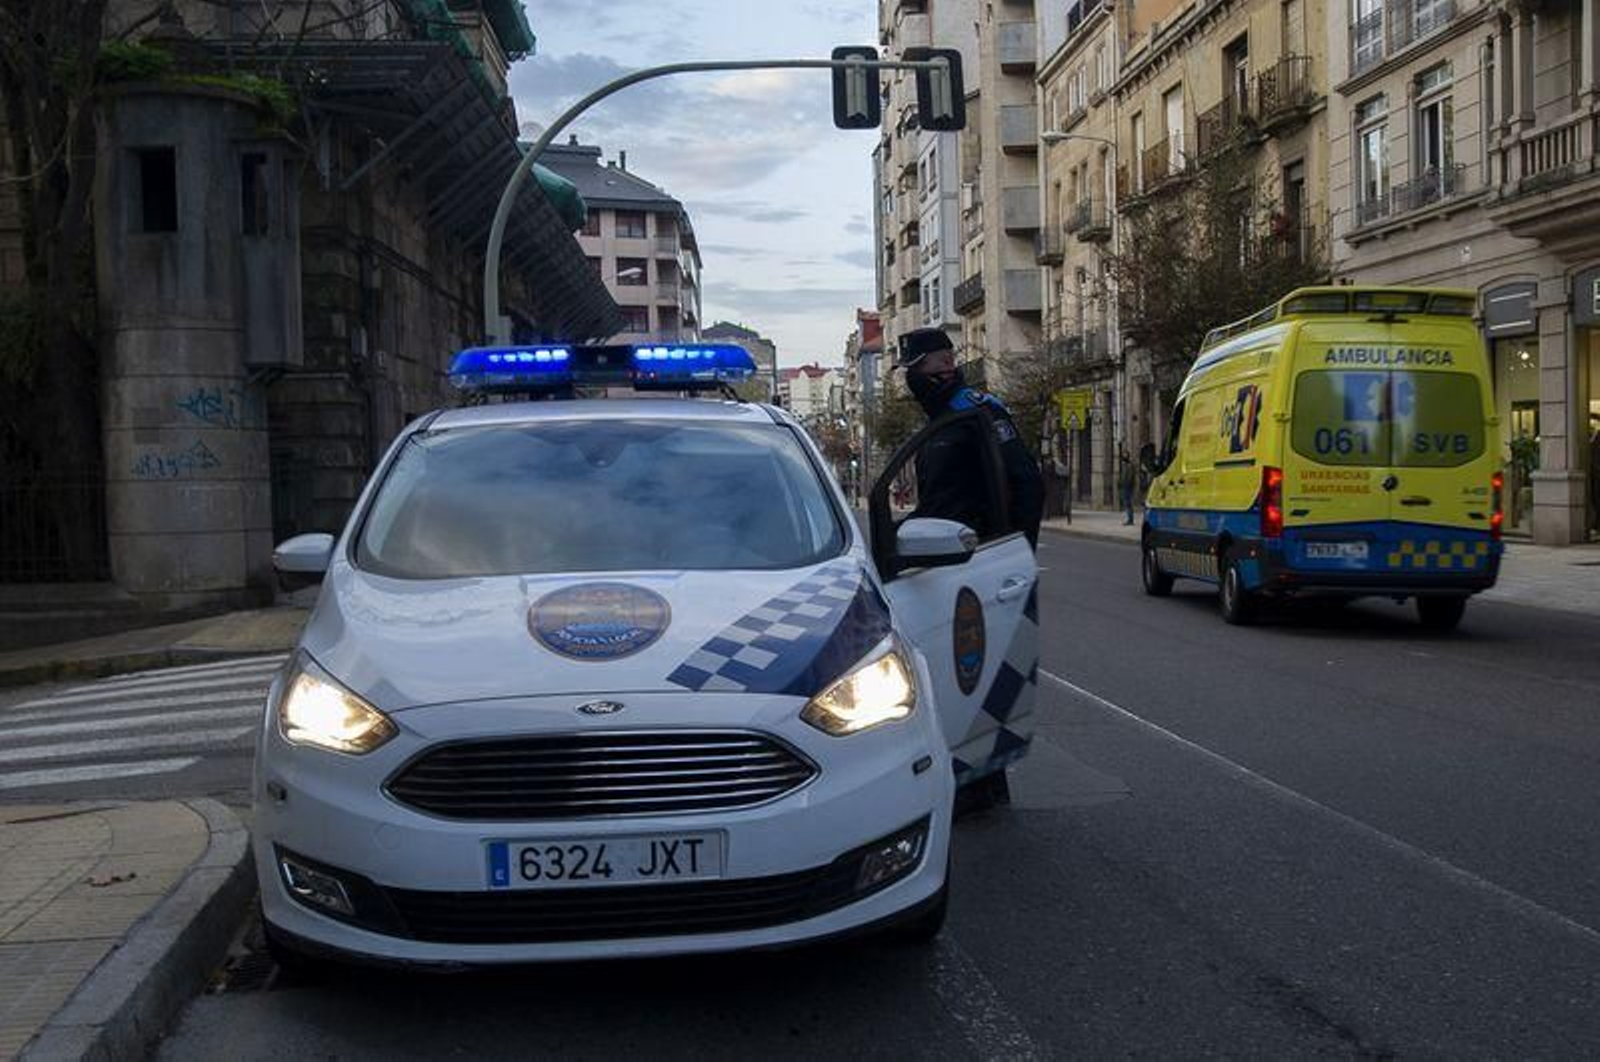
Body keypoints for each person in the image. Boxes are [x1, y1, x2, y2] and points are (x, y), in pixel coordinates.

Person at [898, 328, 1044, 548]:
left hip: (978, 554)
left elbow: (1027, 483)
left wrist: (1017, 551)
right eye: (909, 370)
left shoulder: (979, 413)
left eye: (918, 366)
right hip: (944, 553)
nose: (911, 376)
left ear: (947, 364)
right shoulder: (938, 421)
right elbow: (938, 503)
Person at [1118, 446, 1136, 526]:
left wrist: (1127, 484)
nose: (1124, 456)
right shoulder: (1124, 465)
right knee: (1127, 503)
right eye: (1123, 454)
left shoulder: (1129, 465)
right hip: (1124, 486)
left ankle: (1130, 520)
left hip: (1127, 487)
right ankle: (1129, 519)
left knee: (1128, 503)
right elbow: (1122, 476)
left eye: (1125, 454)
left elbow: (1130, 477)